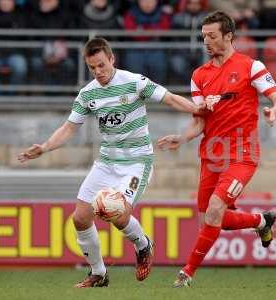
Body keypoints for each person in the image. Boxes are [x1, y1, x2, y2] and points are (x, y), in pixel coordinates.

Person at [18, 38, 204, 288]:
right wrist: (45, 147)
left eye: (102, 65)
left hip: (137, 161)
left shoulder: (134, 82)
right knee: (80, 218)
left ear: (112, 59)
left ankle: (143, 244)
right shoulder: (88, 93)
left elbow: (169, 98)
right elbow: (69, 128)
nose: (98, 72)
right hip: (107, 162)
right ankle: (98, 273)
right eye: (92, 67)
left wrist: (199, 110)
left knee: (117, 212)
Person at [157, 11, 276, 287]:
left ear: (229, 36)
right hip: (212, 155)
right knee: (211, 218)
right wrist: (182, 138)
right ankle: (261, 221)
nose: (206, 41)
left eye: (212, 36)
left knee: (216, 209)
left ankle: (187, 273)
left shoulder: (251, 67)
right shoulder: (199, 75)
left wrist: (274, 112)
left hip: (243, 153)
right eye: (204, 36)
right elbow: (199, 122)